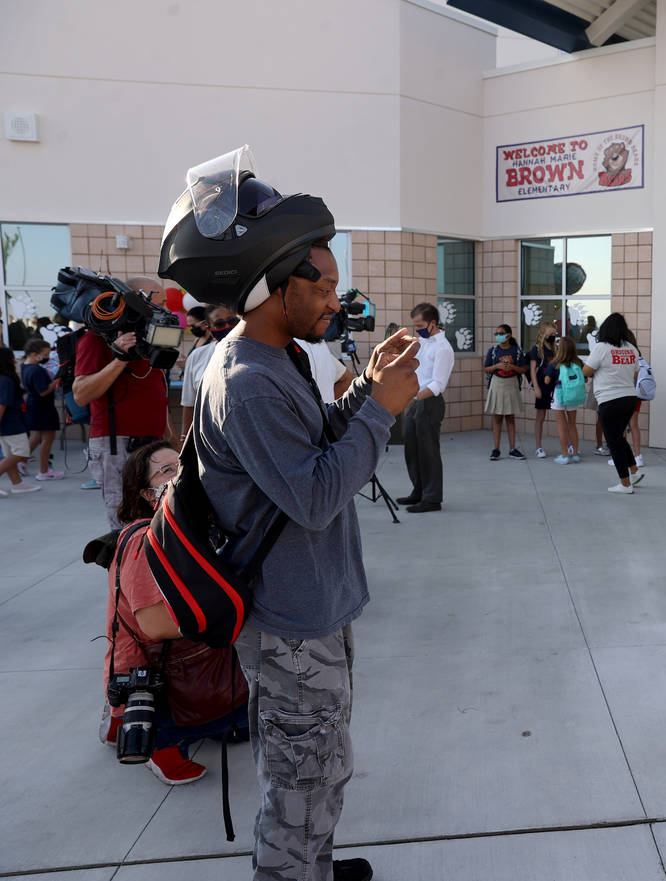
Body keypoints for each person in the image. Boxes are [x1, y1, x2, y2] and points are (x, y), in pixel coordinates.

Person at [159, 157, 419, 881]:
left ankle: (315, 867)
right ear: (279, 287)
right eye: (324, 286)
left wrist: (364, 388)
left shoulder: (273, 360)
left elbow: (309, 447)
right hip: (290, 627)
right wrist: (381, 410)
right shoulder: (244, 379)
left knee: (322, 769)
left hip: (313, 611)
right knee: (299, 787)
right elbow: (313, 494)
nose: (336, 300)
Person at [98, 441, 250, 784]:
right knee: (171, 751)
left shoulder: (201, 528)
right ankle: (130, 723)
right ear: (145, 494)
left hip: (204, 663)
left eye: (184, 466)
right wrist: (231, 610)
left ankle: (127, 720)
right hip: (159, 668)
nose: (181, 476)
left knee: (246, 729)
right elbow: (155, 626)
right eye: (167, 471)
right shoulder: (143, 541)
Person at [72, 276, 171, 528]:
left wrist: (171, 436)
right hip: (117, 445)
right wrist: (119, 358)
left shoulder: (151, 341)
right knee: (126, 521)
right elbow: (81, 393)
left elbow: (156, 390)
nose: (166, 310)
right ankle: (126, 565)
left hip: (154, 443)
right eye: (159, 303)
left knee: (160, 518)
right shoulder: (95, 339)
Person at [397, 302, 454, 513]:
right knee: (412, 449)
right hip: (414, 401)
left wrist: (415, 396)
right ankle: (418, 491)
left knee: (428, 451)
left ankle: (432, 498)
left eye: (420, 324)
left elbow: (438, 384)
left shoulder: (443, 348)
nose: (417, 329)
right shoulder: (422, 342)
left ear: (432, 323)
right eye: (415, 325)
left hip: (429, 402)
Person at [583, 313, 643, 494]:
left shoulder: (602, 348)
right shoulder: (631, 348)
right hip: (629, 399)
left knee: (614, 442)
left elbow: (587, 370)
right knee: (618, 436)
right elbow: (635, 374)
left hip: (609, 400)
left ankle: (625, 484)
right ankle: (634, 472)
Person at [179, 303, 239, 438]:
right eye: (219, 324)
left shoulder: (254, 350)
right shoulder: (197, 356)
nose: (227, 327)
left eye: (231, 321)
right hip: (210, 435)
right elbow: (189, 403)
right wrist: (185, 438)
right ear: (208, 326)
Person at [21, 339, 64, 480]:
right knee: (47, 438)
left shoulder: (24, 366)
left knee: (35, 437)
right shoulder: (37, 370)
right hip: (43, 407)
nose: (47, 357)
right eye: (45, 354)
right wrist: (58, 380)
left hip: (33, 406)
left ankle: (21, 462)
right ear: (34, 354)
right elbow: (43, 391)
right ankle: (44, 471)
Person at [483, 323, 527, 461]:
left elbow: (523, 369)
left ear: (508, 335)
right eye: (496, 334)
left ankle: (512, 448)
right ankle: (496, 449)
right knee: (497, 417)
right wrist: (498, 366)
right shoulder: (493, 350)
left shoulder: (517, 351)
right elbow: (486, 369)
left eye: (501, 333)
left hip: (511, 383)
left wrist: (512, 367)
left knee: (510, 417)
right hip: (497, 383)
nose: (498, 336)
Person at [0, 347, 38, 496]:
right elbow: (2, 404)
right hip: (12, 424)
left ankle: (18, 484)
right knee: (21, 452)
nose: (15, 361)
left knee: (10, 454)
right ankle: (18, 484)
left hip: (7, 424)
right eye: (12, 358)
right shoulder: (6, 380)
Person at [526, 320, 559, 458]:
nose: (553, 335)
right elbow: (533, 370)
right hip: (542, 385)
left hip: (556, 386)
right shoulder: (536, 349)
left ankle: (569, 444)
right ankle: (538, 447)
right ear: (544, 333)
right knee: (541, 416)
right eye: (551, 333)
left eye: (555, 333)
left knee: (561, 415)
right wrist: (536, 388)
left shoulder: (555, 348)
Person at [550, 334, 583, 463]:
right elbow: (584, 376)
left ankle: (564, 455)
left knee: (561, 425)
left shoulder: (555, 363)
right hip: (573, 396)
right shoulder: (578, 362)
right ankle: (575, 454)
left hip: (559, 396)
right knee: (572, 425)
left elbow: (547, 380)